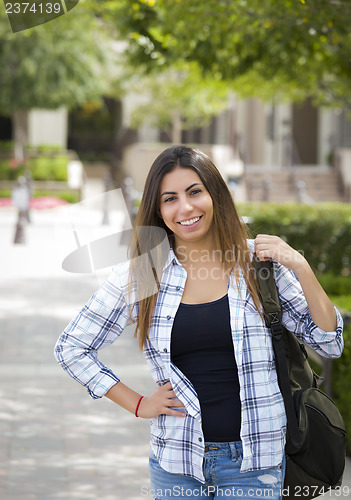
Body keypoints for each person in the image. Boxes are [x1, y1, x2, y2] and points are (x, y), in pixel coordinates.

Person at [54, 145, 344, 499]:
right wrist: (138, 403)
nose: (185, 208)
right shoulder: (146, 271)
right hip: (176, 463)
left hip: (254, 465)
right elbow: (73, 347)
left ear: (214, 194)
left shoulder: (259, 264)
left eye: (194, 192)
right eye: (170, 198)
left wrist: (300, 265)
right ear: (158, 210)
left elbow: (329, 342)